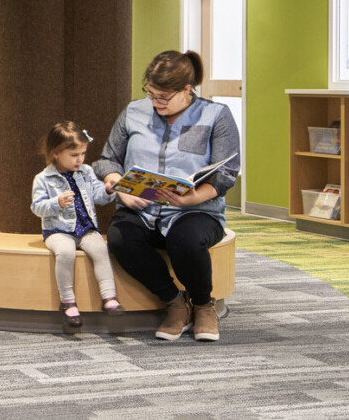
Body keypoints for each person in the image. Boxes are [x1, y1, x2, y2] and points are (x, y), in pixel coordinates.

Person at [93, 50, 239, 342]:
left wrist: (190, 200)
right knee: (120, 238)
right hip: (142, 210)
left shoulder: (216, 115)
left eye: (163, 97)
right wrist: (118, 183)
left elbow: (225, 175)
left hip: (197, 211)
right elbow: (107, 160)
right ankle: (174, 302)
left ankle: (202, 304)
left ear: (187, 90)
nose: (156, 103)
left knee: (185, 240)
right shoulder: (133, 112)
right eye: (151, 95)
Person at [31, 121, 123, 331]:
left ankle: (109, 297)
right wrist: (57, 203)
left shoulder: (87, 172)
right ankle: (68, 302)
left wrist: (109, 190)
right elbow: (37, 207)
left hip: (86, 227)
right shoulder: (43, 179)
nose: (79, 159)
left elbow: (98, 196)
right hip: (58, 230)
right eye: (74, 155)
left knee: (100, 249)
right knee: (65, 252)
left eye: (82, 153)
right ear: (56, 153)